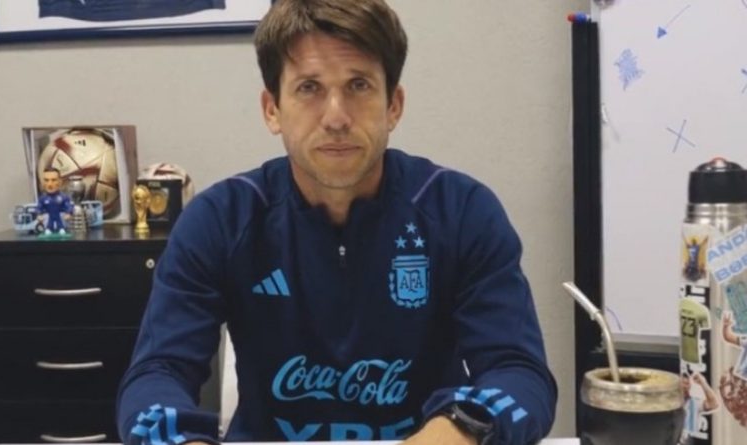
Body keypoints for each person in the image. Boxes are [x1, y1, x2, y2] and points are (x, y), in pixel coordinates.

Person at [116, 1, 557, 444]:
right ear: (272, 109)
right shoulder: (220, 220)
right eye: (309, 87)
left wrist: (460, 430)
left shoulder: (461, 212)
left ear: (393, 105)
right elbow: (157, 373)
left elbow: (518, 373)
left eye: (358, 85)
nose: (336, 118)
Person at [36, 167, 73, 235]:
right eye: (46, 180)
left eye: (53, 180)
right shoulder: (42, 199)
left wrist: (69, 213)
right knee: (48, 224)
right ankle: (49, 229)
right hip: (48, 218)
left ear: (60, 182)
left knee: (61, 224)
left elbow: (68, 206)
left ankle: (61, 228)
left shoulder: (63, 197)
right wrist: (39, 214)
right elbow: (39, 207)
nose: (50, 184)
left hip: (60, 217)